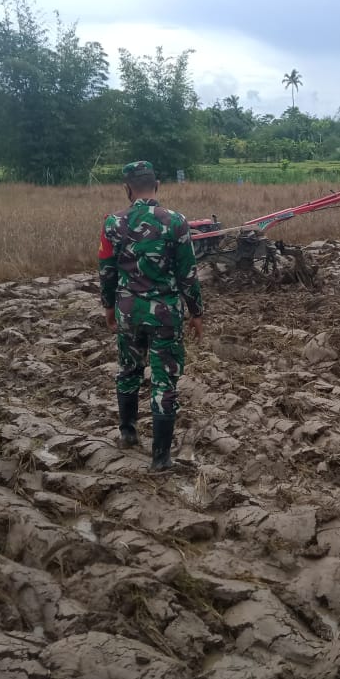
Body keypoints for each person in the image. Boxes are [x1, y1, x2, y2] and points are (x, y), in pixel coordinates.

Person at [98, 161, 204, 471]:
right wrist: (196, 311)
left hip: (128, 312)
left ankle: (128, 434)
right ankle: (161, 459)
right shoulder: (176, 222)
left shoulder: (112, 224)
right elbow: (188, 274)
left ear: (127, 189)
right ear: (156, 185)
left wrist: (108, 306)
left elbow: (106, 270)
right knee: (164, 381)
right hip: (165, 316)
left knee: (129, 370)